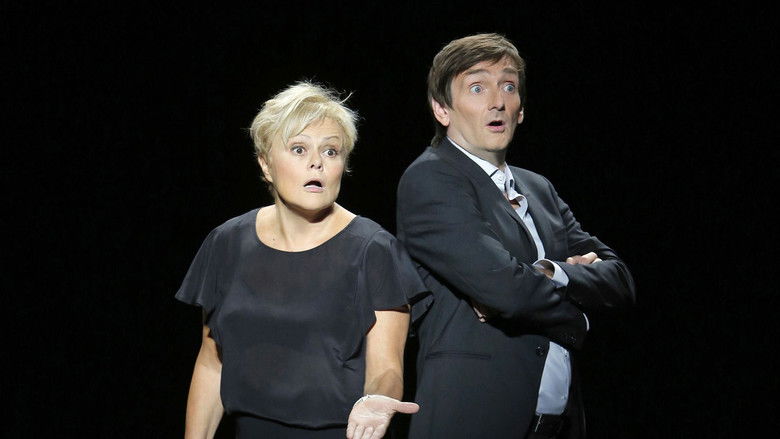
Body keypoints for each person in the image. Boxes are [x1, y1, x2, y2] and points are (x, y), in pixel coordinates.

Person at [396, 33, 636, 439]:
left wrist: (550, 272)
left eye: (508, 86)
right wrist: (579, 314)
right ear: (442, 109)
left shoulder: (538, 188)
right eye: (477, 88)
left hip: (558, 425)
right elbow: (506, 291)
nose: (498, 101)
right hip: (474, 422)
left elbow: (621, 281)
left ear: (521, 109)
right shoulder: (431, 178)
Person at [176, 82, 425, 439]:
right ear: (265, 164)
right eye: (298, 148)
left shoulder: (374, 249)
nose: (316, 162)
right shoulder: (226, 243)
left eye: (331, 151)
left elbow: (386, 368)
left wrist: (376, 400)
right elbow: (212, 363)